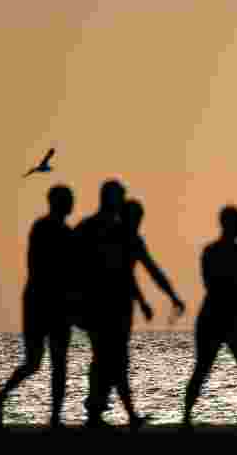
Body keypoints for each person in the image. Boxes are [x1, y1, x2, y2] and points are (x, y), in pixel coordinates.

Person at [75, 182, 185, 427]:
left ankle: (97, 409)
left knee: (105, 361)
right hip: (107, 308)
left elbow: (129, 273)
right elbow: (142, 270)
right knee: (113, 362)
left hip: (108, 307)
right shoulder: (112, 232)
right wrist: (171, 297)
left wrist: (147, 300)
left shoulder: (103, 229)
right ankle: (115, 412)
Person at [0, 185, 76, 428]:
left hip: (55, 304)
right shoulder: (43, 228)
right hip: (40, 302)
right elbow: (37, 266)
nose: (71, 204)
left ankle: (56, 417)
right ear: (57, 203)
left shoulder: (66, 232)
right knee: (35, 362)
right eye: (68, 200)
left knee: (59, 362)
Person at [183, 206, 237, 428]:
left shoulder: (232, 251)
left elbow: (235, 286)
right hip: (219, 315)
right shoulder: (227, 252)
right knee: (206, 367)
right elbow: (220, 284)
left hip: (226, 315)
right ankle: (187, 415)